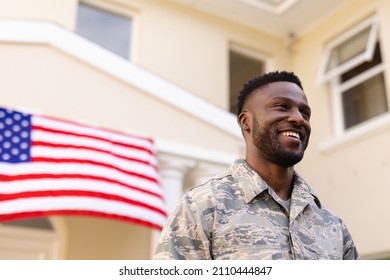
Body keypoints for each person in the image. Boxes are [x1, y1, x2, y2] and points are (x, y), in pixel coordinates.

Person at [154, 70, 359, 260]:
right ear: (246, 121)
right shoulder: (202, 207)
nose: (298, 119)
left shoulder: (333, 225)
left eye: (305, 113)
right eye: (282, 106)